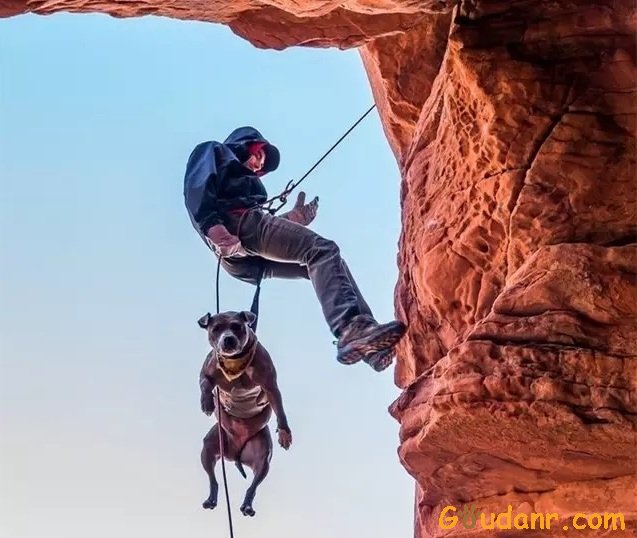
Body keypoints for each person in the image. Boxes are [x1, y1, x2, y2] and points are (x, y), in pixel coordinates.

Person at [183, 126, 406, 371]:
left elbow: (267, 234)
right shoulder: (214, 150)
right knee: (322, 250)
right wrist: (213, 227)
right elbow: (197, 187)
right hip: (235, 226)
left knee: (324, 265)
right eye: (259, 155)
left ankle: (369, 346)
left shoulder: (244, 185)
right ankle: (350, 328)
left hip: (241, 257)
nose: (259, 166)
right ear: (245, 145)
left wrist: (295, 218)